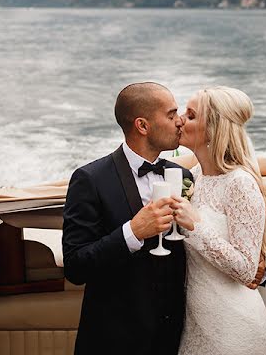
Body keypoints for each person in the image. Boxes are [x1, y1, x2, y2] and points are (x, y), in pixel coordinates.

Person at [62, 82, 193, 355]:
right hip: (114, 340)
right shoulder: (90, 180)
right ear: (142, 126)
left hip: (175, 338)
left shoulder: (183, 177)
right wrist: (133, 232)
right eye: (171, 115)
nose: (179, 121)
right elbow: (75, 267)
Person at [172, 86, 266, 355]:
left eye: (191, 115)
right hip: (195, 324)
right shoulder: (192, 177)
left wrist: (194, 225)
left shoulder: (240, 184)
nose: (180, 119)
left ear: (213, 129)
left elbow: (246, 270)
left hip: (233, 327)